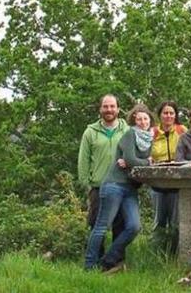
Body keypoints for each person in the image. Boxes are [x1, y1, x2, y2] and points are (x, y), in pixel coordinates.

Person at [84, 104, 154, 272]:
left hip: (130, 188)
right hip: (114, 185)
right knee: (102, 226)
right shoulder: (130, 134)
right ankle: (89, 264)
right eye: (139, 119)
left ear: (150, 120)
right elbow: (130, 158)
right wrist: (147, 162)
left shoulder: (148, 139)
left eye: (145, 118)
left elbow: (132, 163)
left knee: (134, 226)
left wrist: (136, 163)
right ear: (134, 121)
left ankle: (108, 260)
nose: (143, 122)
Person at [77, 94, 129, 260]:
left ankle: (115, 261)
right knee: (96, 225)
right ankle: (95, 260)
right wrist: (86, 184)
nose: (109, 110)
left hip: (122, 184)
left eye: (112, 106)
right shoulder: (90, 132)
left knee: (120, 225)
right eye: (106, 106)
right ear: (100, 109)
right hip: (99, 186)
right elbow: (83, 160)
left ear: (118, 109)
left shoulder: (126, 130)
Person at [148, 101, 187, 254]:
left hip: (177, 183)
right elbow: (145, 152)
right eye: (165, 113)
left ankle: (175, 256)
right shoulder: (153, 132)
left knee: (176, 223)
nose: (168, 116)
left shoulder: (182, 130)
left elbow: (190, 148)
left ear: (175, 115)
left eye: (171, 113)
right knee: (158, 223)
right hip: (157, 183)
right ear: (160, 115)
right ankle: (155, 256)